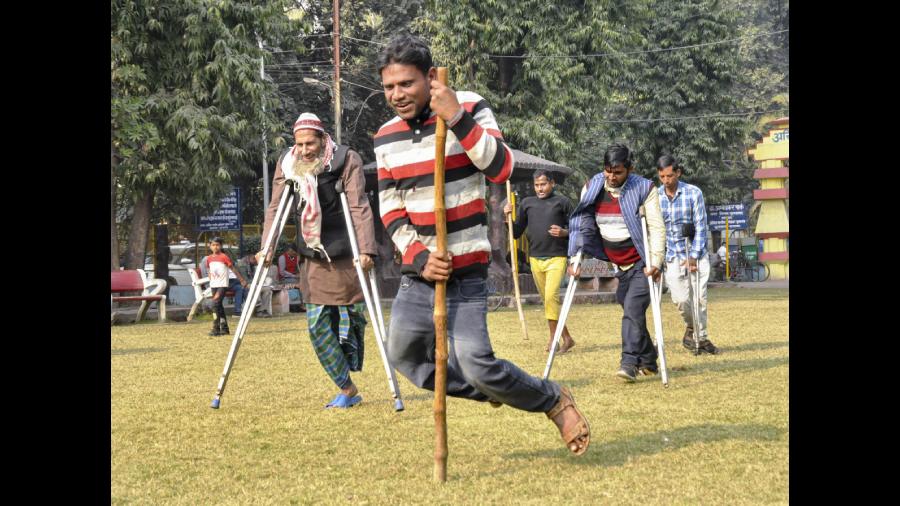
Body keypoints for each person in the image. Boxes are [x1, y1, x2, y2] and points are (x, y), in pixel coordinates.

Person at [375, 34, 590, 455]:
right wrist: (418, 257)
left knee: (476, 362)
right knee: (402, 354)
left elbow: (500, 166)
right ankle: (494, 388)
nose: (397, 95)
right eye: (389, 87)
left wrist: (455, 116)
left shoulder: (469, 105)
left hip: (467, 272)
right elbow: (389, 207)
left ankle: (553, 400)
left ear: (430, 78)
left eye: (407, 84)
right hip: (419, 275)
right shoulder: (385, 136)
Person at [261, 112, 377, 409]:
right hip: (312, 254)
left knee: (350, 321)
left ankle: (349, 375)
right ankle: (346, 386)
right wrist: (267, 248)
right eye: (298, 144)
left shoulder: (345, 159)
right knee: (316, 324)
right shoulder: (287, 163)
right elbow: (275, 208)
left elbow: (359, 205)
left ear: (322, 139)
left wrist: (366, 249)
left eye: (309, 144)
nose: (303, 150)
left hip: (344, 253)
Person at [566, 144, 666, 382]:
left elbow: (657, 228)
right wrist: (575, 256)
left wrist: (656, 261)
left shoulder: (644, 188)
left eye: (618, 172)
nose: (612, 176)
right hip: (618, 265)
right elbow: (582, 223)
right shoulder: (592, 188)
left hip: (642, 264)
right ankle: (649, 359)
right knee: (632, 312)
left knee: (632, 309)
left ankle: (629, 363)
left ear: (630, 169)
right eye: (608, 170)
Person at [504, 170, 576, 353]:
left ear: (552, 183)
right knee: (548, 302)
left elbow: (578, 227)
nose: (540, 188)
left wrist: (564, 232)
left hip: (557, 257)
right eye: (537, 185)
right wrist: (507, 218)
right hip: (535, 258)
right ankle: (566, 338)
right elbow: (516, 232)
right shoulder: (527, 203)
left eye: (543, 184)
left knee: (551, 297)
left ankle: (553, 340)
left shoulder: (563, 202)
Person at [657, 155, 719, 354]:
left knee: (699, 298)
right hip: (673, 256)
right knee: (681, 299)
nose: (666, 180)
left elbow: (701, 226)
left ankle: (701, 338)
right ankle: (692, 328)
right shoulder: (655, 196)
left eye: (670, 176)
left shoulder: (693, 193)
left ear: (678, 173)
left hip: (695, 253)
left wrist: (693, 255)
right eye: (662, 177)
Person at [204, 237, 248, 336]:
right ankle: (225, 328)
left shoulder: (224, 257)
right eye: (213, 245)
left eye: (217, 245)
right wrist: (210, 276)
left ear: (221, 246)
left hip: (222, 285)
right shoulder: (209, 258)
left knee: (214, 304)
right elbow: (208, 268)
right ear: (210, 246)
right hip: (214, 285)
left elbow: (233, 268)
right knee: (218, 305)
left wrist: (241, 280)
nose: (215, 247)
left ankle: (215, 329)